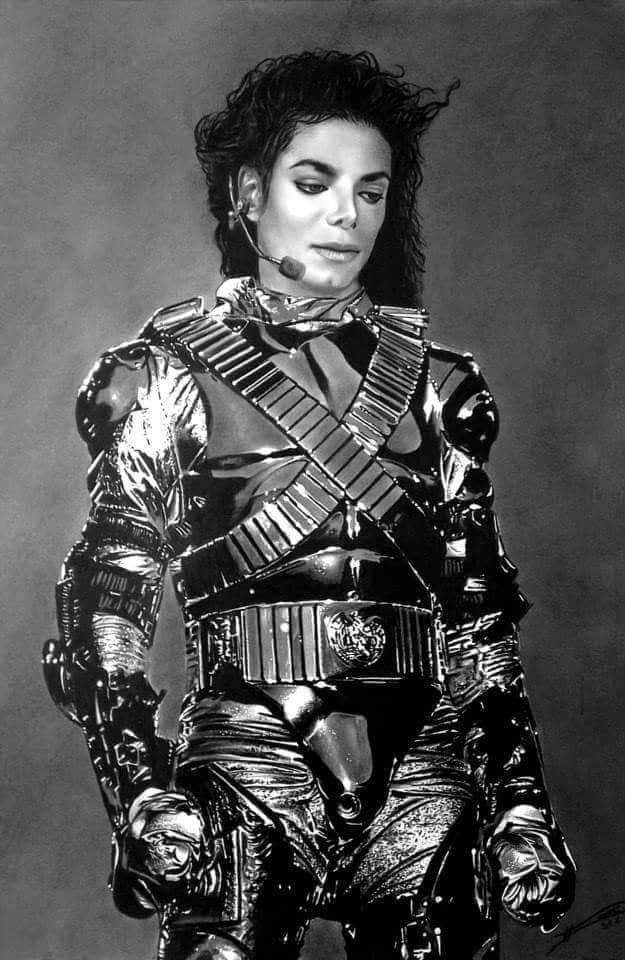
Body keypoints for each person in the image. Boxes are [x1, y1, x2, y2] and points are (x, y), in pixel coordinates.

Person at [43, 50, 575, 960]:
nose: (346, 215)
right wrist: (140, 785)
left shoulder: (440, 389)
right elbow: (111, 591)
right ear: (248, 194)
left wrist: (519, 801)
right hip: (247, 758)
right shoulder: (163, 377)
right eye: (314, 182)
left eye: (371, 191)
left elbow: (477, 619)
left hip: (423, 770)